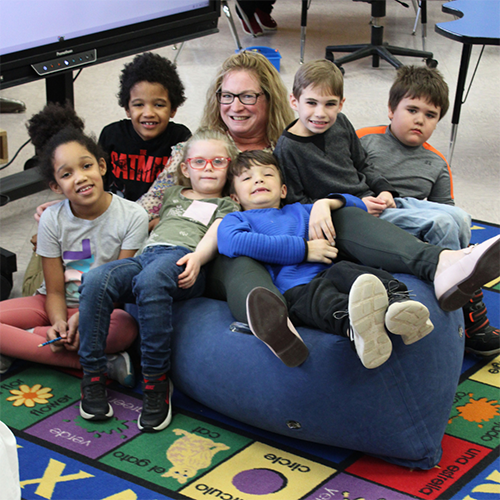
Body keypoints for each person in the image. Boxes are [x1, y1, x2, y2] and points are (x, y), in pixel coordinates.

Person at [217, 151, 500, 369]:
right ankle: (358, 330)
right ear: (234, 196)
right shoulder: (236, 219)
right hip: (294, 288)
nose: (258, 180)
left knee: (360, 275)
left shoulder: (300, 210)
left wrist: (326, 203)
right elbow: (232, 242)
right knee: (324, 302)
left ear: (282, 189)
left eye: (267, 175)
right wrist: (302, 249)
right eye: (247, 179)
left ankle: (402, 308)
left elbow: (356, 205)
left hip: (330, 268)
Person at [77, 129, 240, 432]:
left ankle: (156, 383)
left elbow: (219, 232)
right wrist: (65, 208)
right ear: (185, 167)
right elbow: (133, 212)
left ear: (229, 167)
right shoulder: (173, 195)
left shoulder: (228, 204)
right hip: (146, 255)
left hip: (183, 261)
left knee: (151, 280)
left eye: (218, 161)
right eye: (199, 161)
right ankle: (93, 375)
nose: (208, 168)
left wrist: (198, 259)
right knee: (97, 279)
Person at [137, 50, 294, 322]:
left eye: (248, 96)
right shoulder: (195, 149)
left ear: (270, 99)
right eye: (228, 96)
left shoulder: (286, 152)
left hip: (261, 251)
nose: (236, 107)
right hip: (185, 254)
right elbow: (145, 209)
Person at [0, 104, 149, 387]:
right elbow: (54, 290)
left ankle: (24, 346)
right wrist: (57, 323)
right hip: (50, 305)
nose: (80, 177)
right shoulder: (52, 219)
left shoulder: (133, 216)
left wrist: (83, 318)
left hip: (102, 310)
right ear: (55, 186)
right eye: (66, 174)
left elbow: (118, 288)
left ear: (101, 166)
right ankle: (101, 364)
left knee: (127, 328)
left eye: (86, 166)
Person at [356, 65, 500, 357]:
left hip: (418, 226)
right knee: (448, 222)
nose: (420, 120)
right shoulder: (366, 141)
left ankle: (462, 294)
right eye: (412, 110)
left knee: (458, 218)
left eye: (430, 115)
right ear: (391, 109)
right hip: (375, 217)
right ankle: (471, 314)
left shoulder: (436, 162)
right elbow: (345, 179)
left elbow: (445, 211)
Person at [99, 51, 191, 202]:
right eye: (139, 105)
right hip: (116, 213)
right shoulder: (111, 135)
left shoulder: (180, 138)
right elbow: (96, 180)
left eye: (159, 105)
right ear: (127, 109)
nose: (148, 113)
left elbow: (186, 189)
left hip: (159, 215)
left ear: (173, 109)